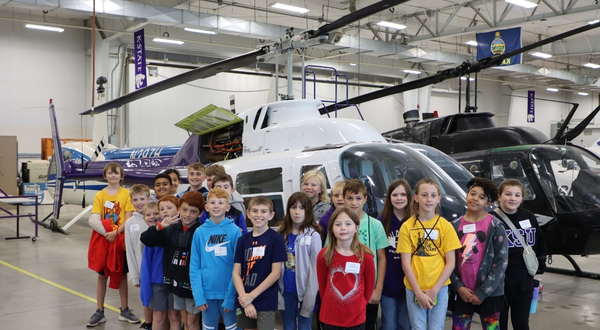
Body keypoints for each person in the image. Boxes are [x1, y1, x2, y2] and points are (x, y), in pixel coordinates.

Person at [397, 178, 461, 330]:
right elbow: (405, 263)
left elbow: (451, 262)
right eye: (424, 195)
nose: (429, 199)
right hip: (414, 287)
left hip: (440, 287)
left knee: (436, 327)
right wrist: (418, 293)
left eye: (433, 195)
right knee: (417, 327)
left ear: (439, 199)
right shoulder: (407, 227)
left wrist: (434, 290)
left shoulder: (445, 226)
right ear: (416, 198)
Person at [449, 178, 508, 330]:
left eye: (482, 197)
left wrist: (483, 292)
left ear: (488, 203)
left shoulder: (495, 226)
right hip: (462, 292)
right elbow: (447, 260)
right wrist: (457, 286)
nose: (475, 198)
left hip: (490, 293)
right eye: (472, 194)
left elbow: (501, 262)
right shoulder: (453, 227)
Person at [86, 162, 140, 327]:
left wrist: (116, 233)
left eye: (117, 173)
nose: (114, 175)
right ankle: (99, 311)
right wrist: (106, 233)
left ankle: (124, 310)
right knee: (102, 275)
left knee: (122, 274)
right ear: (105, 176)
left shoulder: (126, 194)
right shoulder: (100, 196)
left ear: (121, 176)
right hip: (105, 239)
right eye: (110, 173)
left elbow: (129, 217)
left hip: (121, 240)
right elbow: (95, 216)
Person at [141, 192, 205, 330]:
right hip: (176, 285)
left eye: (193, 211)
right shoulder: (170, 229)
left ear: (200, 214)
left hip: (192, 286)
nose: (187, 214)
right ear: (179, 210)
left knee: (191, 322)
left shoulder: (201, 231)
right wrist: (159, 226)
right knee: (185, 321)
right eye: (184, 210)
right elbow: (146, 239)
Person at [490, 179, 547, 330]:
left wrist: (541, 264)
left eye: (517, 195)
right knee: (498, 326)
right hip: (498, 285)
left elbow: (540, 242)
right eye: (508, 194)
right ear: (499, 196)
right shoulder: (490, 219)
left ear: (522, 198)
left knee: (521, 324)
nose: (512, 198)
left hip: (523, 284)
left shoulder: (529, 217)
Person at [190, 188, 242, 330]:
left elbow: (238, 267)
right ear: (206, 207)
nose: (216, 206)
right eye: (212, 202)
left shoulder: (235, 231)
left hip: (229, 292)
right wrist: (199, 296)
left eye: (220, 202)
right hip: (207, 294)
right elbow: (194, 267)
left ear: (228, 207)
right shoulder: (200, 232)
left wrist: (231, 296)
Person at [233, 196, 287, 330]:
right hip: (244, 297)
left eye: (263, 211)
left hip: (265, 299)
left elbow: (275, 274)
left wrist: (251, 297)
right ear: (248, 214)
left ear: (271, 215)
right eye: (255, 211)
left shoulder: (276, 239)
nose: (259, 215)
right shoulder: (242, 240)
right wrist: (245, 299)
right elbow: (236, 272)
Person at [316, 207, 376, 330]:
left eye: (348, 224)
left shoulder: (366, 257)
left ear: (356, 228)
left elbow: (369, 288)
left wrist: (360, 306)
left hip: (356, 318)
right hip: (330, 317)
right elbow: (322, 287)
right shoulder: (324, 255)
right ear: (332, 229)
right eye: (338, 224)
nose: (343, 227)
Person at [342, 179, 388, 330]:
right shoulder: (337, 224)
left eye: (358, 198)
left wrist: (378, 289)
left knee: (368, 324)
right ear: (343, 199)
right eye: (349, 198)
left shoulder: (375, 225)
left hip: (368, 289)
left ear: (365, 199)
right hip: (343, 288)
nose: (354, 202)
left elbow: (381, 258)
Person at [277, 192, 322, 330]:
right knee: (288, 325)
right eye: (293, 207)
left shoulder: (314, 236)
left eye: (302, 208)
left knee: (304, 325)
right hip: (286, 291)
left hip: (305, 292)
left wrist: (311, 294)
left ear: (308, 211)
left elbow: (315, 270)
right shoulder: (281, 233)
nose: (297, 212)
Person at [377, 179, 412, 330]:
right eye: (395, 194)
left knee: (405, 325)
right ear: (389, 197)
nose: (399, 198)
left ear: (409, 196)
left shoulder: (414, 221)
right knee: (389, 325)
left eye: (403, 194)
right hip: (387, 284)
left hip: (409, 284)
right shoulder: (382, 220)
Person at [139, 202, 181, 330]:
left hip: (174, 282)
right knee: (158, 317)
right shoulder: (150, 238)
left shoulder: (175, 232)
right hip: (157, 284)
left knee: (174, 316)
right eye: (149, 214)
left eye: (156, 213)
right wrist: (145, 290)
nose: (153, 216)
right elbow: (146, 266)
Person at [124, 184, 153, 330]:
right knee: (146, 299)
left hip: (158, 269)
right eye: (135, 199)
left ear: (149, 198)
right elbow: (130, 250)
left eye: (142, 198)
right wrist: (135, 276)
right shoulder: (130, 223)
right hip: (142, 271)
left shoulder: (156, 218)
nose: (139, 202)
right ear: (131, 201)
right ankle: (149, 323)